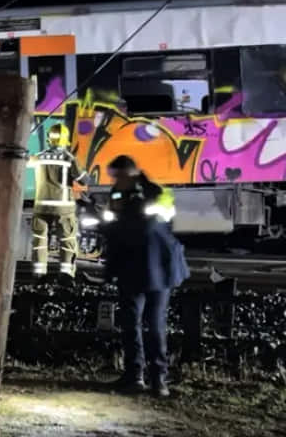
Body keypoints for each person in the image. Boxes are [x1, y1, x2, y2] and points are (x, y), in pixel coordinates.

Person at [101, 155, 188, 397]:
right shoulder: (119, 194)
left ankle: (157, 379)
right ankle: (136, 376)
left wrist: (113, 223)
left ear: (130, 173)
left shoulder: (156, 193)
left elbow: (143, 227)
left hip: (154, 267)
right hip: (139, 267)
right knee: (132, 323)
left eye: (117, 176)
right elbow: (117, 227)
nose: (115, 181)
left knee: (153, 324)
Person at [30, 124, 89, 277]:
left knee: (39, 240)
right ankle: (66, 275)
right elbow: (84, 181)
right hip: (64, 208)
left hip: (41, 206)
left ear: (50, 138)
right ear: (65, 139)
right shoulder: (69, 158)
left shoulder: (39, 156)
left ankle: (38, 274)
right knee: (68, 239)